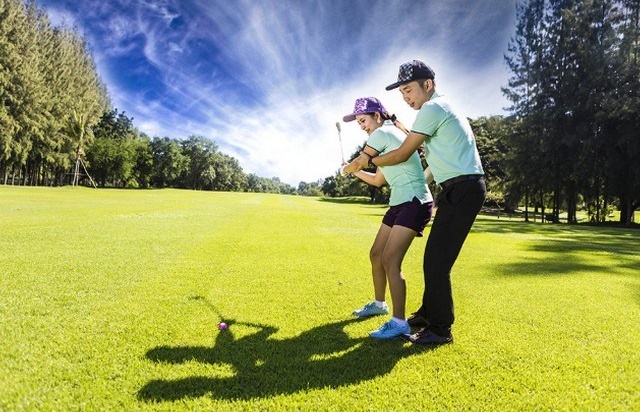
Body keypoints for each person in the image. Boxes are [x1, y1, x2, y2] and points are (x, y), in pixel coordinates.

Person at [354, 60, 486, 345]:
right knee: (433, 259)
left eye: (409, 90)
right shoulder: (437, 108)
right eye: (401, 93)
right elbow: (417, 144)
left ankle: (440, 329)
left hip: (463, 187)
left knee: (437, 262)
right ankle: (428, 313)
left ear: (428, 84)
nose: (406, 97)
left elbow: (402, 153)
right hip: (455, 188)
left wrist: (367, 160)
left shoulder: (432, 108)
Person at [340, 97, 434, 339]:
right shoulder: (384, 141)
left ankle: (399, 322)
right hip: (399, 203)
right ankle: (380, 304)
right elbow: (378, 180)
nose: (362, 126)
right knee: (376, 254)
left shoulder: (382, 135)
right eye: (359, 122)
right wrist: (355, 170)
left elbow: (360, 161)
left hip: (414, 202)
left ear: (377, 116)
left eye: (363, 120)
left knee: (390, 261)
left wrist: (348, 168)